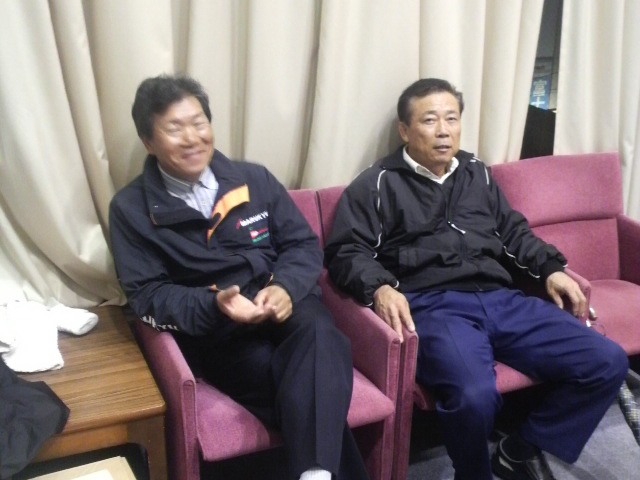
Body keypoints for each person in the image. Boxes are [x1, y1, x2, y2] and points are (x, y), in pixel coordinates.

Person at [324, 78, 628, 480]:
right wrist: (379, 287)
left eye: (451, 119)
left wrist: (551, 268)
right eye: (430, 120)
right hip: (434, 307)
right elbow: (346, 251)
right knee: (473, 396)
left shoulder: (476, 173)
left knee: (606, 361)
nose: (443, 130)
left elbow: (513, 232)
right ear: (404, 130)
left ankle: (518, 450)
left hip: (501, 298)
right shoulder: (377, 183)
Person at [109, 75, 369, 480]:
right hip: (220, 332)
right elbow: (147, 295)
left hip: (285, 305)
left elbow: (302, 244)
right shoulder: (130, 209)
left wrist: (284, 287)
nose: (192, 138)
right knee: (310, 385)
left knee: (321, 334)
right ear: (148, 141)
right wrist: (214, 305)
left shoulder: (254, 179)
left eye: (199, 123)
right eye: (174, 129)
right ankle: (317, 471)